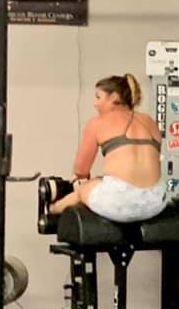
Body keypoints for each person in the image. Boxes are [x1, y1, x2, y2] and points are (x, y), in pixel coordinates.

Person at [46, 73, 166, 223]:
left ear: (114, 97)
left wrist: (83, 181)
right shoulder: (150, 121)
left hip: (120, 204)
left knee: (82, 191)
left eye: (98, 97)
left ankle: (50, 211)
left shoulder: (97, 123)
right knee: (101, 181)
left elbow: (81, 170)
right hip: (155, 202)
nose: (95, 104)